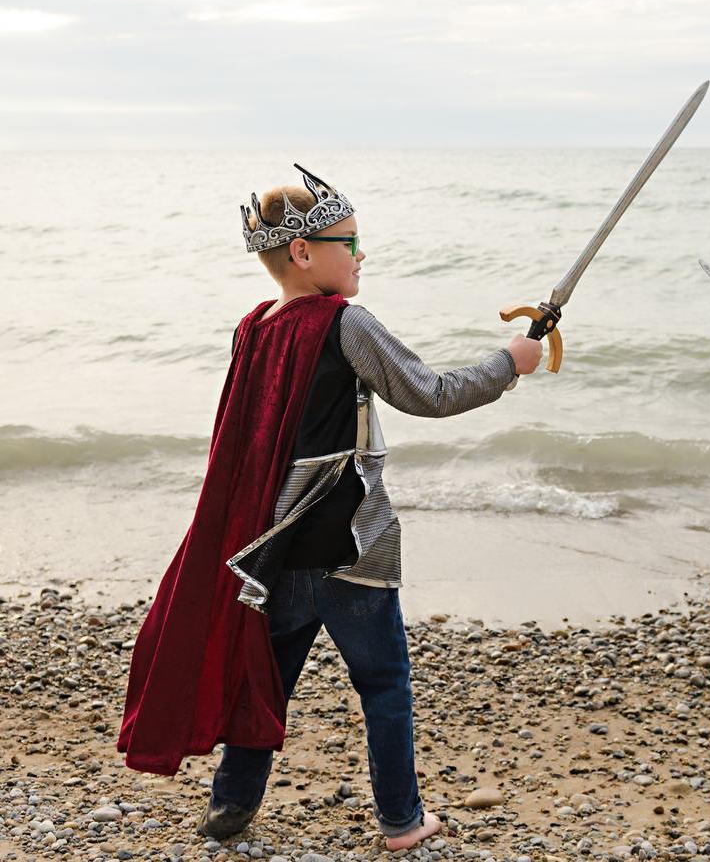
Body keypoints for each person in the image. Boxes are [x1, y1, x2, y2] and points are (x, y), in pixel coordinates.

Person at [118, 165, 543, 852]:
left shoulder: (254, 326)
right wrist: (508, 363)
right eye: (350, 240)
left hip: (278, 549)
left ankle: (230, 809)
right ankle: (402, 821)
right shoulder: (347, 322)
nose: (362, 252)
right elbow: (428, 392)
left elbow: (253, 442)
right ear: (304, 252)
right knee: (384, 683)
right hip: (352, 548)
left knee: (269, 686)